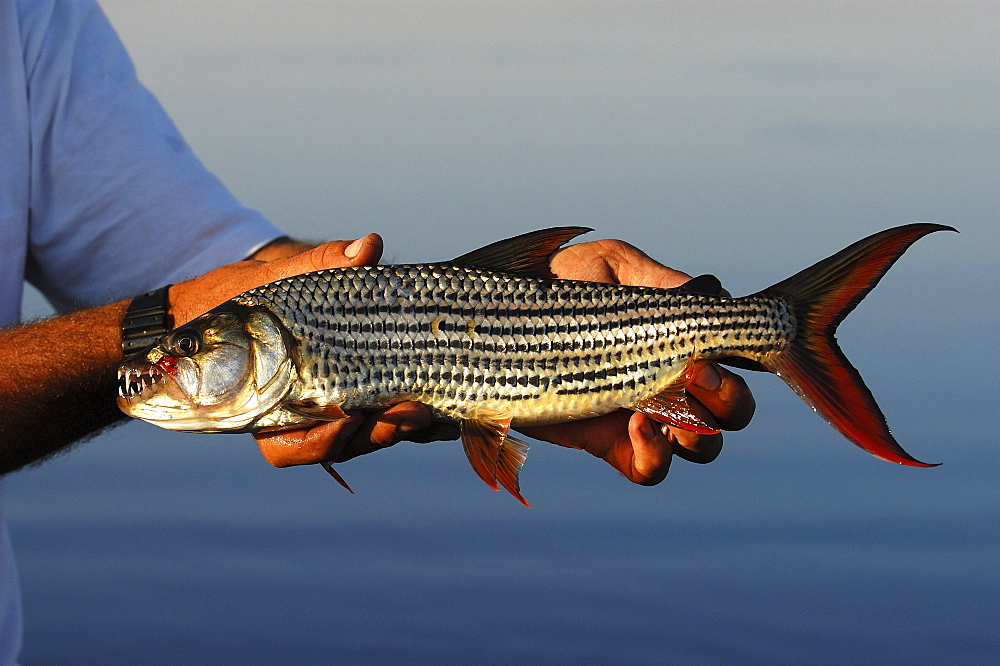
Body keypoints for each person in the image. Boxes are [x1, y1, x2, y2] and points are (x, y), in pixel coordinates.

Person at [0, 1, 754, 663]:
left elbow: (216, 264)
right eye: (177, 353)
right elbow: (199, 298)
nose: (164, 363)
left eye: (182, 354)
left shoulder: (33, 15)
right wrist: (156, 328)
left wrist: (525, 317)